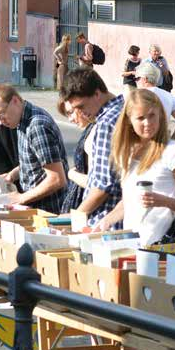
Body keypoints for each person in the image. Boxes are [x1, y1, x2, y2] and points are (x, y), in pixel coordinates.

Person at [94, 89, 175, 246]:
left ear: (161, 116)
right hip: (131, 244)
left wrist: (162, 201)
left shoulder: (174, 152)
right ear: (129, 120)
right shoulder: (126, 152)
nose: (148, 123)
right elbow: (130, 200)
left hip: (161, 246)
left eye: (152, 116)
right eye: (141, 118)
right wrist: (106, 221)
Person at [0, 83, 68, 214]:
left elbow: (57, 179)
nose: (1, 122)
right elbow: (36, 162)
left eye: (1, 114)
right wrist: (12, 175)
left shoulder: (36, 126)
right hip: (38, 207)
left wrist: (21, 198)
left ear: (15, 101)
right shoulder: (20, 121)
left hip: (50, 210)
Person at [60, 68, 124, 229]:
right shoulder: (124, 109)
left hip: (106, 222)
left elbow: (103, 186)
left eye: (81, 106)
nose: (81, 113)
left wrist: (76, 216)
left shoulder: (106, 123)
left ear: (97, 94)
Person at [57, 100, 95, 212]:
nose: (70, 119)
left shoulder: (95, 133)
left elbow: (95, 184)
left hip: (88, 206)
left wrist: (71, 174)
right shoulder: (90, 129)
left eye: (71, 112)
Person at [136, 62, 175, 140]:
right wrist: (173, 141)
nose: (136, 81)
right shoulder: (168, 95)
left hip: (142, 143)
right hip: (163, 141)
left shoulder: (137, 96)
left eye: (137, 78)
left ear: (145, 79)